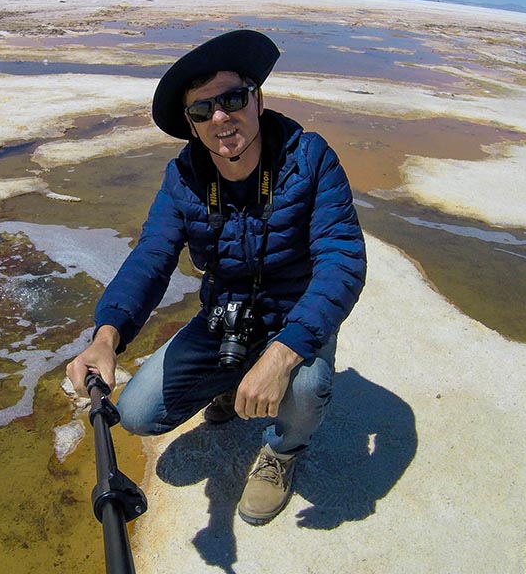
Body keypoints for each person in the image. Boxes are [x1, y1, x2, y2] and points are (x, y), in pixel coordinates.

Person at [66, 29, 366, 525]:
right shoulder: (183, 178)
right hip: (225, 317)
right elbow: (152, 256)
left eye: (232, 98)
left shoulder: (308, 159)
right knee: (139, 413)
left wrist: (282, 355)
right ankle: (231, 380)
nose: (221, 118)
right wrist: (106, 336)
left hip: (296, 317)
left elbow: (342, 261)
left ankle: (282, 451)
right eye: (202, 110)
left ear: (258, 97)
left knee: (307, 387)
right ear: (191, 124)